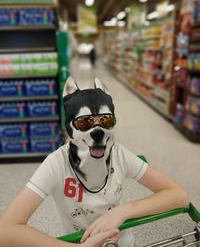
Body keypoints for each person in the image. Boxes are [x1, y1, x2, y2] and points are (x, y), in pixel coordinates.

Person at [0, 76, 189, 247]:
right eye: (84, 123)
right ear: (69, 129)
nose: (98, 131)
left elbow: (179, 196)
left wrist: (121, 212)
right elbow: (5, 231)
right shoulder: (56, 164)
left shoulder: (119, 154)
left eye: (105, 121)